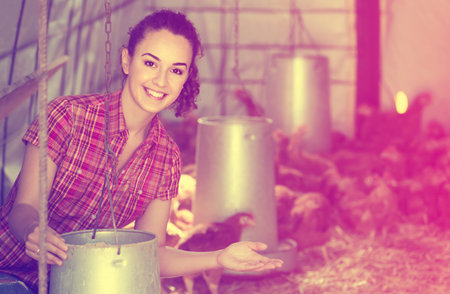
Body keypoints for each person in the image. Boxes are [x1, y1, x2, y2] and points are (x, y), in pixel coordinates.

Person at [0, 9, 283, 293]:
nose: (161, 81)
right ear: (126, 60)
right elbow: (24, 208)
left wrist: (219, 257)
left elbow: (153, 253)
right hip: (6, 269)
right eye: (150, 63)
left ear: (185, 78)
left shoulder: (166, 157)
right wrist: (34, 231)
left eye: (176, 70)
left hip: (74, 283)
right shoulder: (66, 116)